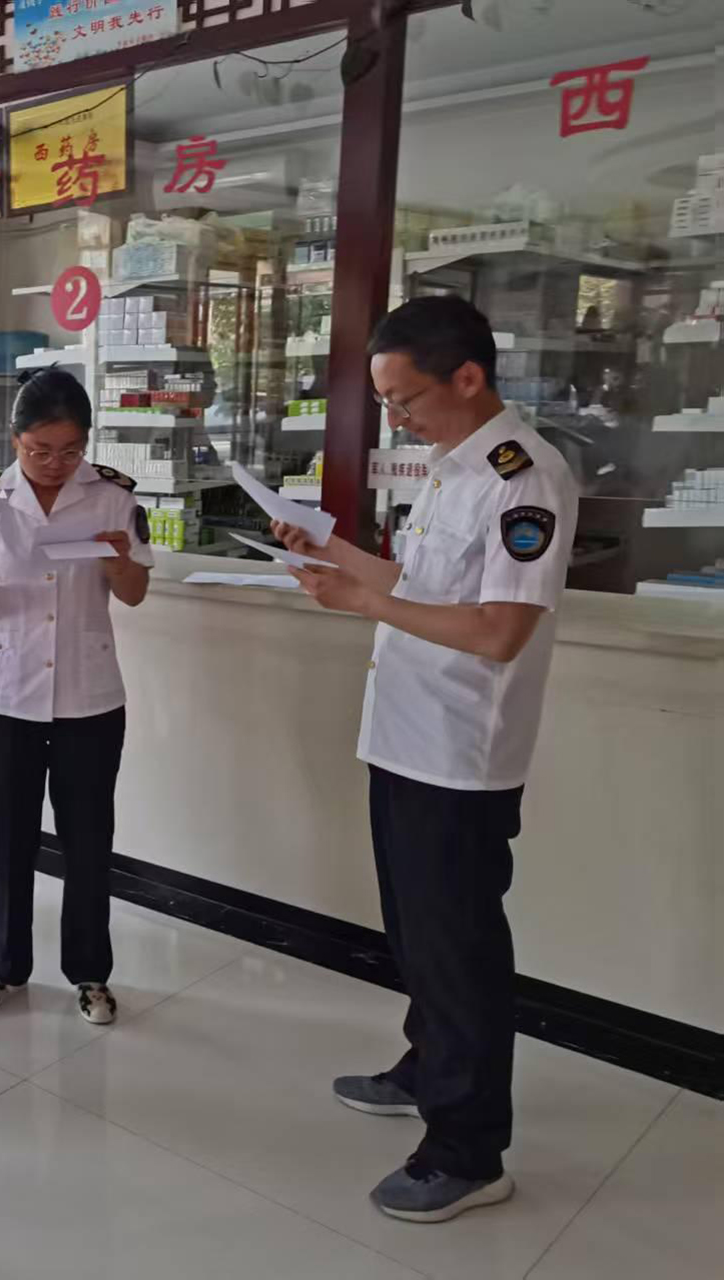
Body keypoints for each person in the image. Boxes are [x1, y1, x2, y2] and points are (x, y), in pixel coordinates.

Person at [274, 295, 578, 1224]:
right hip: (403, 739)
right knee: (415, 935)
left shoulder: (526, 479)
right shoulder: (452, 470)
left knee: (459, 952)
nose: (395, 418)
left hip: (459, 757)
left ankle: (468, 1150)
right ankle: (426, 1067)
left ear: (468, 377)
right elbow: (419, 584)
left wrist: (365, 605)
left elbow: (497, 632)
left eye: (404, 400)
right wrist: (331, 552)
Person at [0, 367, 153, 1026]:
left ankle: (90, 974)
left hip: (89, 699)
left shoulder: (113, 498)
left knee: (88, 842)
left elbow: (134, 593)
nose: (56, 464)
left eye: (70, 450)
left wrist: (118, 561)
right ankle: (2, 968)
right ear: (15, 440)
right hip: (7, 695)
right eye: (40, 450)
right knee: (6, 840)